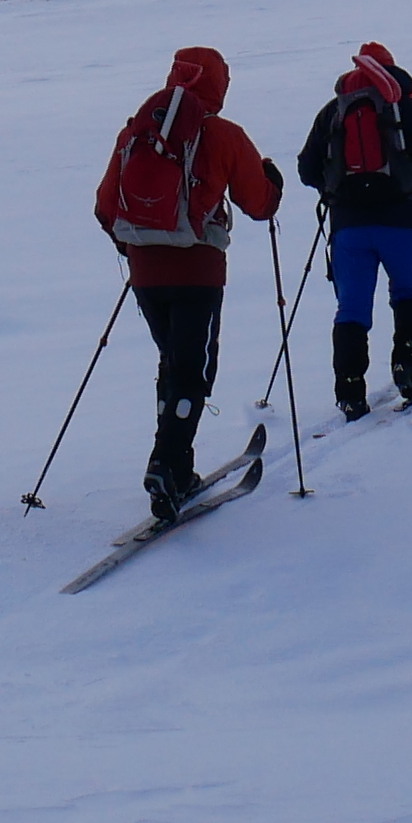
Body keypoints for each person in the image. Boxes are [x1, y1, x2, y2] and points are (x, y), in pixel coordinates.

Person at [92, 46, 287, 518]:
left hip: (145, 272)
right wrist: (273, 184)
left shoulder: (136, 130)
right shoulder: (221, 135)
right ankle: (167, 463)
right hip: (198, 271)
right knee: (194, 370)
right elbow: (260, 204)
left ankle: (177, 469)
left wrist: (136, 249)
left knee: (174, 363)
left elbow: (104, 205)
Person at [295, 42, 412, 417]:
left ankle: (350, 391)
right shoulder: (407, 111)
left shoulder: (333, 112)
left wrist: (335, 190)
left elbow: (305, 169)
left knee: (351, 308)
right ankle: (407, 365)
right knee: (411, 293)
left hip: (349, 227)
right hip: (402, 222)